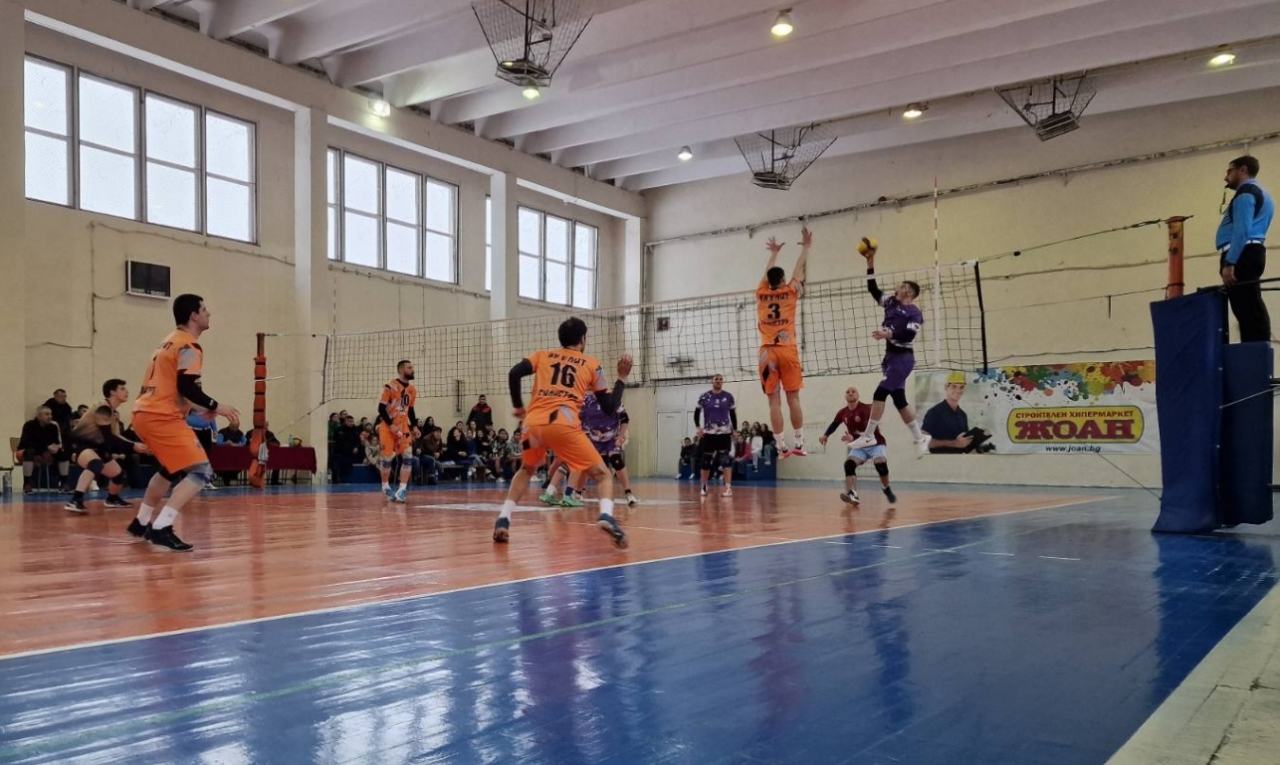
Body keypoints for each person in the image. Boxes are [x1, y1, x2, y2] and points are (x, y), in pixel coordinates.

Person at [493, 317, 632, 548]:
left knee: (527, 470)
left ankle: (503, 519)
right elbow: (609, 407)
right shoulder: (592, 364)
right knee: (603, 475)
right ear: (583, 339)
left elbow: (514, 373)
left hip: (533, 425)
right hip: (564, 426)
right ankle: (606, 515)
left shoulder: (543, 356)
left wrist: (518, 406)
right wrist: (622, 379)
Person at [130, 294, 240, 552]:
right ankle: (161, 527)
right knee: (202, 471)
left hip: (143, 413)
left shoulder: (169, 341)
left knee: (170, 469)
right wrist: (217, 406)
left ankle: (141, 522)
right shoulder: (190, 345)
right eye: (204, 309)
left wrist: (201, 408)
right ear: (193, 316)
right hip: (161, 416)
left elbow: (175, 386)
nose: (209, 314)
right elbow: (186, 385)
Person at [848, 239, 931, 458]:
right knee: (899, 400)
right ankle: (920, 438)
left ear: (909, 293)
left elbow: (910, 334)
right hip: (891, 358)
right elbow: (872, 289)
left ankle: (869, 435)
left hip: (903, 359)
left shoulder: (914, 313)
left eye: (902, 287)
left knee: (880, 393)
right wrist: (870, 263)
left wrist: (889, 334)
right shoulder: (891, 302)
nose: (898, 288)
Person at [756, 227, 812, 458]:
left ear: (768, 281)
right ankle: (799, 443)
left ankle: (781, 446)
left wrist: (774, 253)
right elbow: (799, 269)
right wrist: (806, 247)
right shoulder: (790, 292)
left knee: (774, 403)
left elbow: (767, 273)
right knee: (793, 399)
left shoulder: (761, 293)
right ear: (782, 280)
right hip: (787, 350)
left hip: (767, 353)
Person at [1217, 155, 1274, 343]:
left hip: (1242, 254)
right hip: (1251, 252)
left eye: (1229, 171)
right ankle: (1256, 348)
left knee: (1246, 307)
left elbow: (1242, 230)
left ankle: (1254, 349)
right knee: (1249, 304)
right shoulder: (1263, 193)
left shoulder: (1246, 193)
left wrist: (1230, 262)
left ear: (1243, 169)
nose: (1226, 177)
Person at [819, 386, 897, 506]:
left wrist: (853, 438)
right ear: (845, 396)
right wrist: (825, 435)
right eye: (847, 392)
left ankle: (886, 488)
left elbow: (867, 432)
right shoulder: (842, 412)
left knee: (881, 464)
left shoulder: (866, 409)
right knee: (848, 464)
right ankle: (853, 493)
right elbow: (834, 424)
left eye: (853, 391)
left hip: (875, 442)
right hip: (859, 446)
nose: (850, 393)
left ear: (858, 395)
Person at [64, 405, 149, 513]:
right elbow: (109, 438)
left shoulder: (111, 418)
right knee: (95, 463)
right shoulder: (103, 410)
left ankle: (112, 499)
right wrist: (133, 446)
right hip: (80, 446)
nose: (126, 394)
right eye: (113, 416)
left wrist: (133, 446)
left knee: (118, 475)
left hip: (97, 448)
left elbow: (114, 439)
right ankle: (75, 499)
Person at [565, 390, 639, 506]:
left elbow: (624, 418)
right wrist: (588, 433)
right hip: (594, 439)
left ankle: (628, 493)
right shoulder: (586, 400)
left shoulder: (612, 398)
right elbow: (580, 420)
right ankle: (578, 493)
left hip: (611, 437)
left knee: (616, 460)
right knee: (588, 465)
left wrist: (621, 436)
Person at [376, 360, 420, 502]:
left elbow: (410, 410)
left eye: (412, 367)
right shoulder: (390, 386)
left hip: (403, 427)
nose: (412, 370)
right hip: (388, 427)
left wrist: (414, 426)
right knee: (387, 458)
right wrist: (391, 425)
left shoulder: (412, 390)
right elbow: (381, 409)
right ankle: (385, 486)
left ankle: (402, 489)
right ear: (401, 370)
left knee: (408, 456)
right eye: (409, 367)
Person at [922, 373, 994, 454]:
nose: (958, 390)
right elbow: (924, 442)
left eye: (961, 387)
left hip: (959, 460)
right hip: (941, 460)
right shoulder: (934, 412)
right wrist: (955, 443)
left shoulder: (962, 415)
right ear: (946, 387)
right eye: (954, 386)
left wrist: (981, 436)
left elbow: (965, 446)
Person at [695, 374, 738, 498]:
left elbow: (733, 414)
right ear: (712, 381)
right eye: (716, 379)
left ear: (722, 382)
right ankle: (704, 486)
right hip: (709, 434)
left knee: (725, 460)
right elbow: (696, 413)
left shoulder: (728, 396)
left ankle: (728, 488)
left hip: (724, 433)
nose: (718, 381)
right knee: (706, 461)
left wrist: (735, 430)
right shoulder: (705, 396)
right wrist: (698, 427)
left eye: (720, 379)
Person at [17, 406, 65, 494]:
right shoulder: (29, 425)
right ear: (39, 416)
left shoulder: (53, 427)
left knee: (63, 454)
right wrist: (45, 448)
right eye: (47, 414)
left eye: (50, 414)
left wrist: (55, 447)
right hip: (32, 451)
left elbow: (56, 442)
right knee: (29, 452)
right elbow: (25, 442)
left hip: (47, 452)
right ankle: (27, 483)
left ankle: (64, 483)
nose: (50, 416)